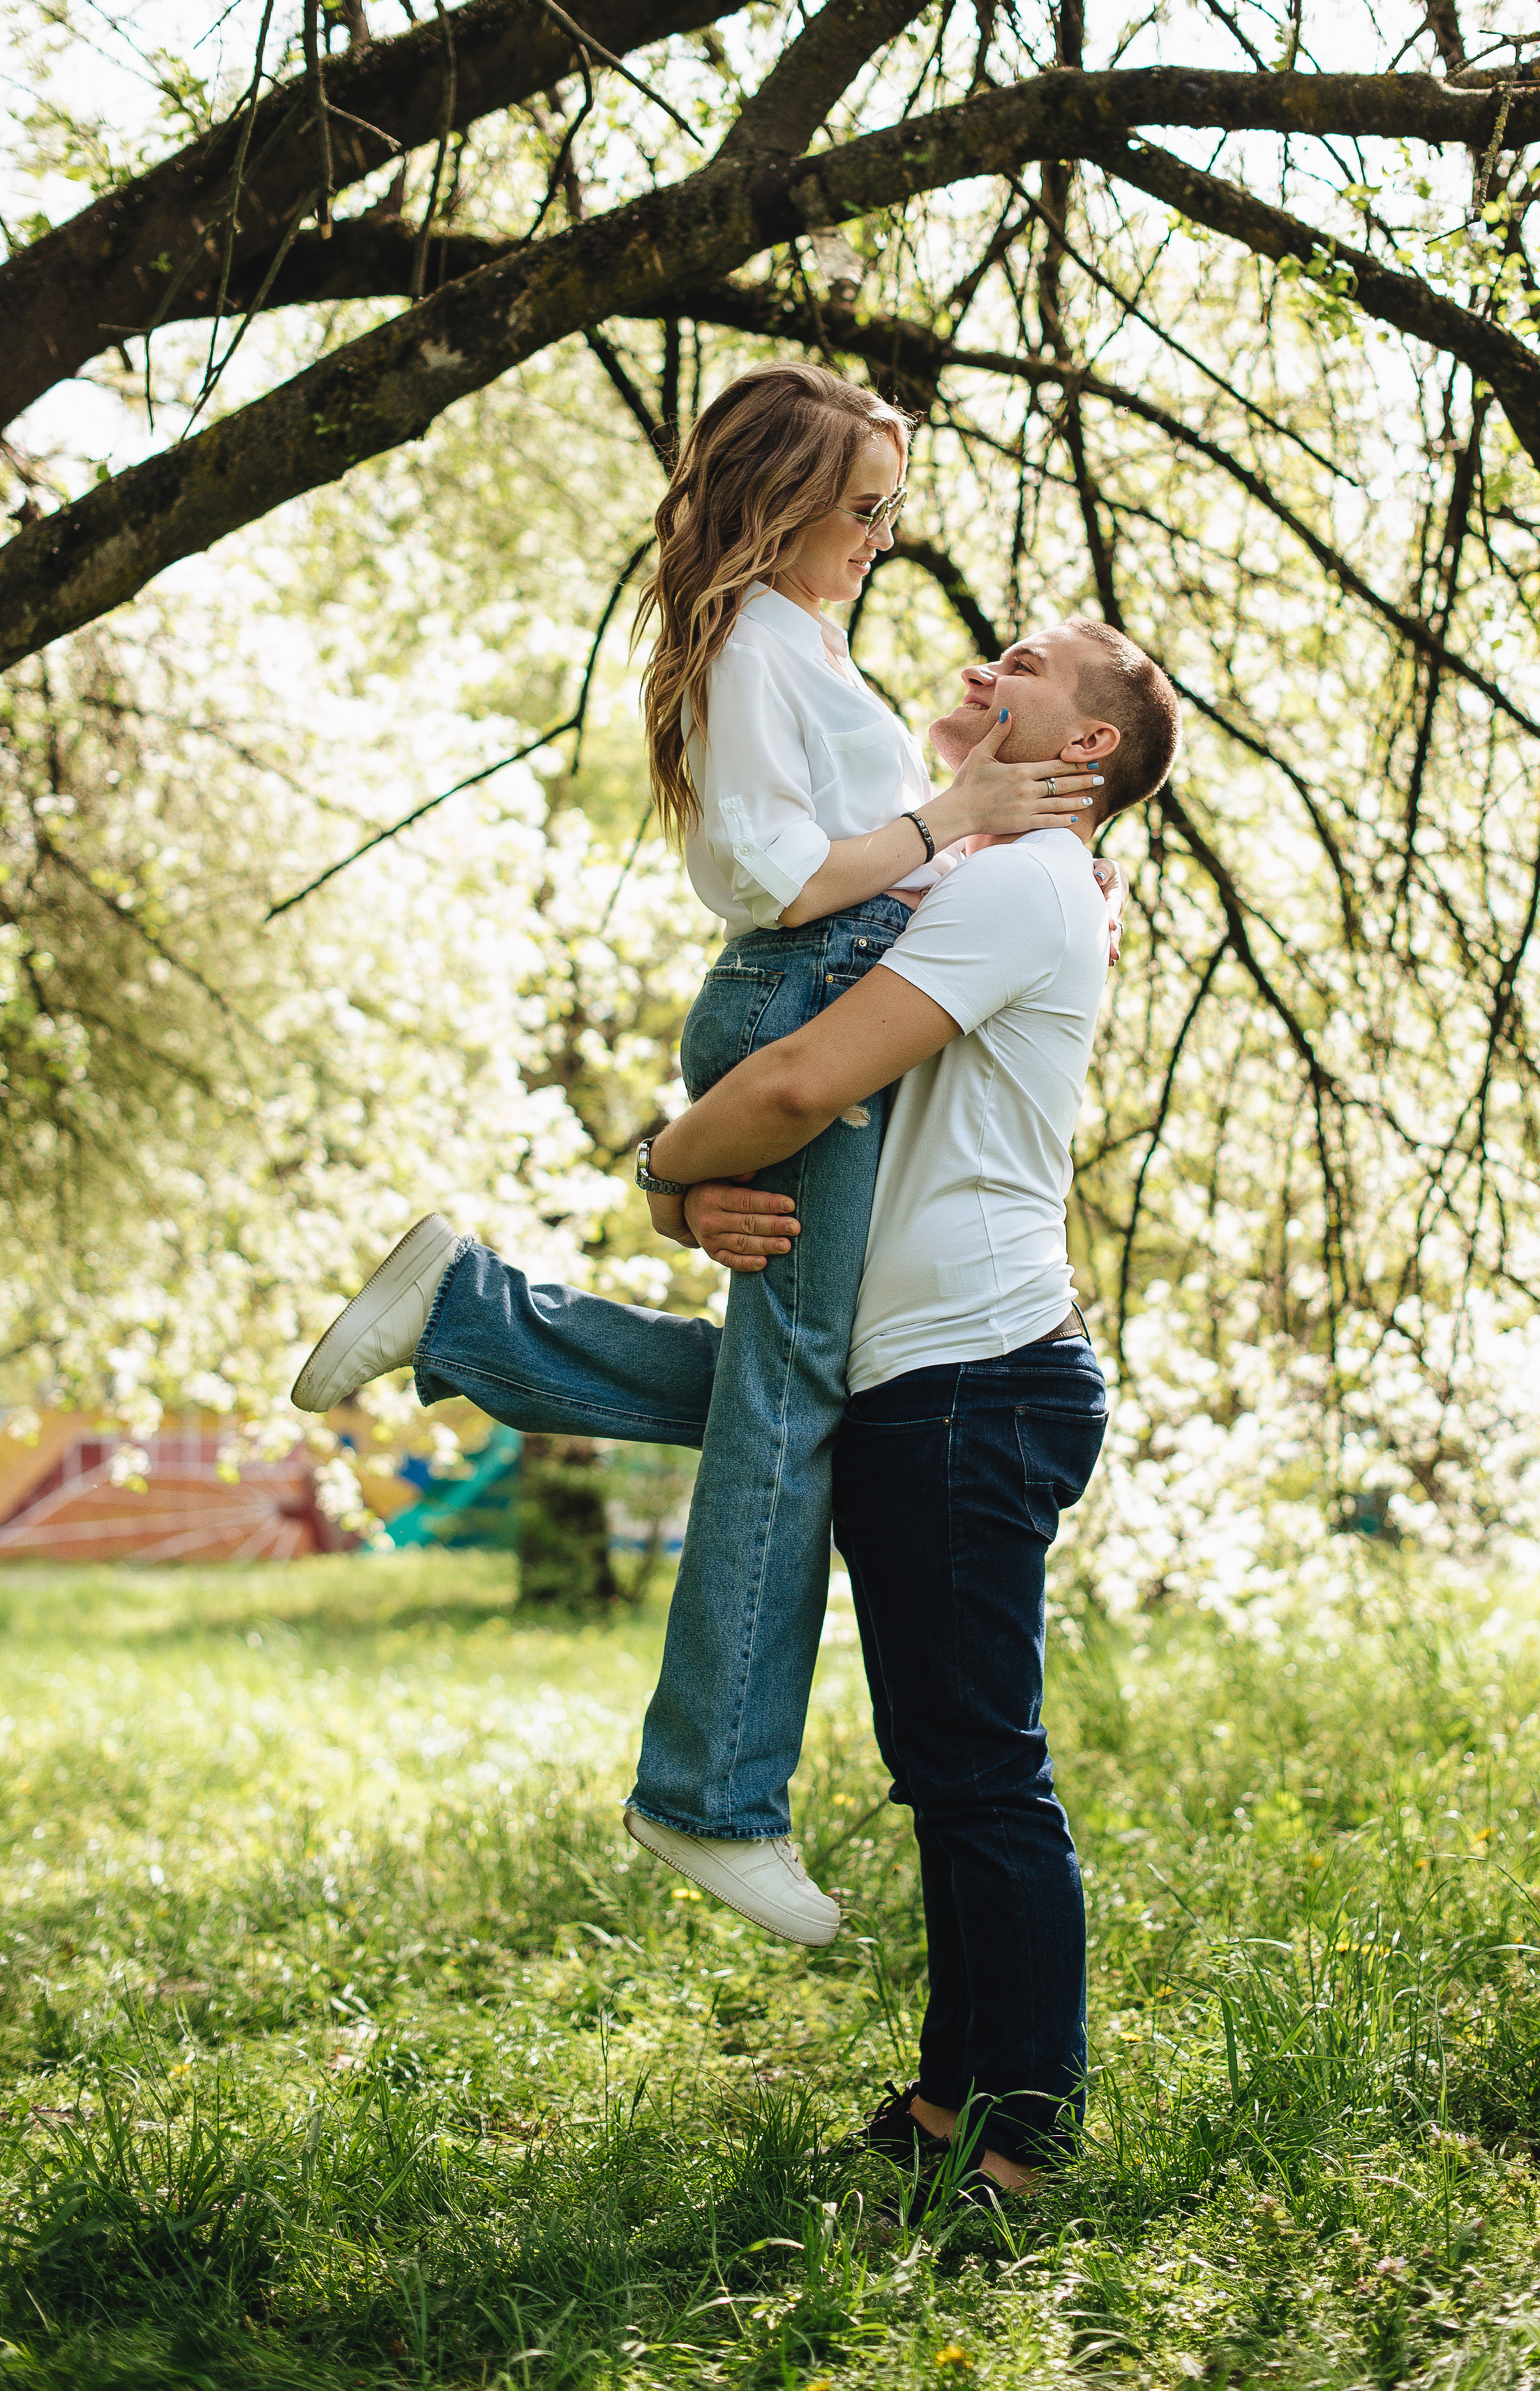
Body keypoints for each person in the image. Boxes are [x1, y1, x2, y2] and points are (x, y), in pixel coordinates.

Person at [290, 617, 1182, 2198]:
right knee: (946, 1763)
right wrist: (698, 1193)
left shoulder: (1029, 885)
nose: (993, 662)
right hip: (908, 1366)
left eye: (1029, 663)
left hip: (974, 1381)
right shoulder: (962, 869)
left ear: (1090, 746)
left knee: (978, 1773)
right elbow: (787, 1084)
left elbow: (791, 1090)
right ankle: (949, 2108)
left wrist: (663, 1169)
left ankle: (1018, 2142)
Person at [294, 363, 1099, 1947]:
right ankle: (707, 1791)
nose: (881, 534)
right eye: (861, 507)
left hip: (809, 982)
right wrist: (949, 815)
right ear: (781, 501)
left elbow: (853, 834)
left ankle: (465, 1315)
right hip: (791, 995)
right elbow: (777, 871)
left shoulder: (799, 640)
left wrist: (952, 791)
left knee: (802, 1386)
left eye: (888, 506)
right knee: (798, 1399)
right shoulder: (745, 638)